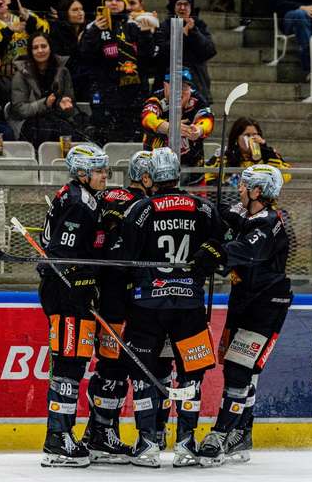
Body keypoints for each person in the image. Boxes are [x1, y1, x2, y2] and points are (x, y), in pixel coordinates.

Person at [119, 146, 224, 467]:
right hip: (189, 304)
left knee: (144, 373)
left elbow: (126, 258)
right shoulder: (204, 208)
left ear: (152, 177)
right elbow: (221, 245)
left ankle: (147, 444)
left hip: (147, 305)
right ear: (178, 174)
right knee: (191, 375)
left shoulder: (141, 209)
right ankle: (186, 445)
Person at [197, 164, 292, 467]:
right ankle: (242, 433)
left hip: (265, 305)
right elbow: (229, 217)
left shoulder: (270, 222)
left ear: (257, 191)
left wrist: (216, 253)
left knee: (239, 370)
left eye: (243, 185)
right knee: (237, 371)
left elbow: (246, 250)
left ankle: (221, 434)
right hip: (242, 301)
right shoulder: (248, 214)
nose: (238, 188)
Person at [37, 144, 109, 468]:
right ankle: (57, 438)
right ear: (82, 172)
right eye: (99, 170)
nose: (104, 175)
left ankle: (63, 433)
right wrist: (80, 283)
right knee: (67, 365)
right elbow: (62, 256)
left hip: (73, 291)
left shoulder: (81, 196)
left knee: (75, 363)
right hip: (66, 293)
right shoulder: (79, 202)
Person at [82, 150, 152, 464]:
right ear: (146, 178)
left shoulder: (108, 195)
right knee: (115, 367)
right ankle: (102, 433)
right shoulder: (144, 205)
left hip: (106, 291)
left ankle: (97, 430)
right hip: (122, 296)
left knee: (111, 365)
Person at [79, 0, 157, 144]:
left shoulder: (136, 25)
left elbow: (148, 58)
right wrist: (94, 32)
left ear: (125, 3)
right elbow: (85, 56)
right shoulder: (93, 27)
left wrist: (146, 34)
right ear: (103, 3)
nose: (113, 3)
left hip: (133, 96)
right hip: (105, 95)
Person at [140, 71, 214, 184]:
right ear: (165, 85)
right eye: (175, 86)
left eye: (184, 87)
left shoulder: (198, 100)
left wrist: (199, 130)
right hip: (155, 172)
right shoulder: (156, 99)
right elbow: (147, 118)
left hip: (193, 172)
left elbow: (208, 120)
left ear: (190, 89)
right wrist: (169, 127)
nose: (179, 92)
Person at [9, 31, 79, 145]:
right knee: (45, 130)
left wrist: (65, 106)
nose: (40, 50)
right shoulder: (21, 75)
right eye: (35, 48)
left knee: (69, 133)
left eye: (44, 46)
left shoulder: (63, 71)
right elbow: (20, 110)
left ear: (50, 48)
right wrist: (45, 104)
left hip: (57, 119)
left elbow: (70, 109)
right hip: (30, 122)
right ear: (30, 51)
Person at [154, 0, 216, 101]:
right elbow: (160, 55)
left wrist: (194, 32)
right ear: (173, 6)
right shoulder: (164, 27)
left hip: (196, 86)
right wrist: (181, 35)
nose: (182, 8)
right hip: (167, 87)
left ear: (191, 7)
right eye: (179, 4)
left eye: (186, 4)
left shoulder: (199, 26)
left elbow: (209, 51)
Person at [204, 116, 291, 186]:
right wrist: (218, 185)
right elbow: (206, 174)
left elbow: (285, 176)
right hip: (231, 199)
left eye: (255, 135)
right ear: (237, 138)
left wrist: (267, 151)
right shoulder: (224, 155)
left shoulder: (269, 154)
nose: (252, 139)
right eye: (247, 135)